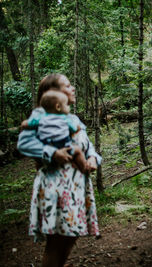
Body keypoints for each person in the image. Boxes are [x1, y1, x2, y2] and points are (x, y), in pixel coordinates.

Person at [17, 73, 102, 267]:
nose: (73, 89)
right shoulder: (41, 117)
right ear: (52, 93)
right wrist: (53, 153)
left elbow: (88, 147)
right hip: (55, 187)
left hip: (77, 188)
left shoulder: (73, 119)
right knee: (56, 243)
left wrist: (92, 159)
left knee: (70, 239)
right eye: (68, 85)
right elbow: (24, 143)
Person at [20, 90, 88, 174]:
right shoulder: (64, 118)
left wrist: (24, 124)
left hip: (48, 144)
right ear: (58, 107)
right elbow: (74, 128)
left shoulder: (40, 117)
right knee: (77, 151)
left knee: (42, 162)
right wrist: (77, 128)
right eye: (66, 105)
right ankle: (84, 167)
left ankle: (43, 167)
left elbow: (28, 123)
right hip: (64, 145)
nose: (68, 107)